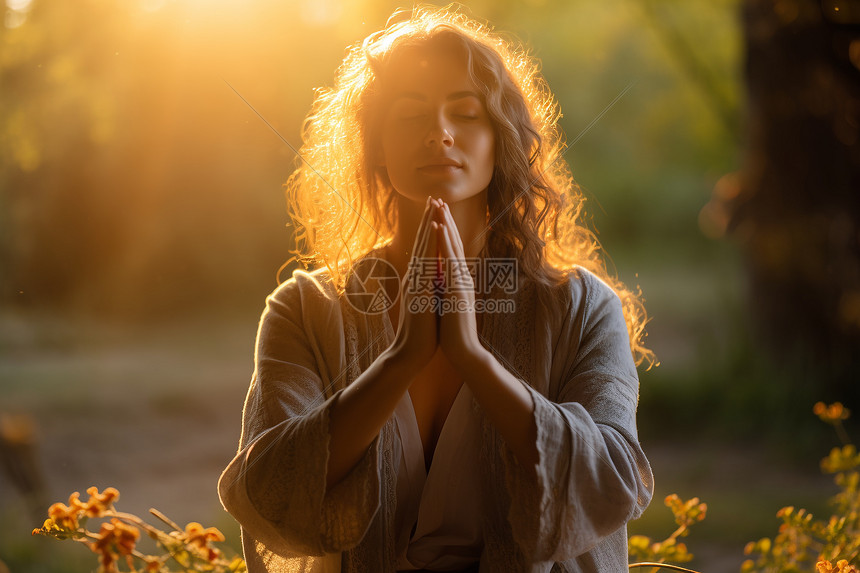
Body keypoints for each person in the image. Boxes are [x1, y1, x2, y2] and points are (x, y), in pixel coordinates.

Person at [218, 5, 656, 572]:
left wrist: (473, 359)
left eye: (467, 113)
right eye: (411, 115)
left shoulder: (582, 307)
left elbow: (614, 480)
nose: (439, 133)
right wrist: (401, 360)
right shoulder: (305, 309)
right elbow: (268, 490)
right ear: (376, 146)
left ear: (502, 140)